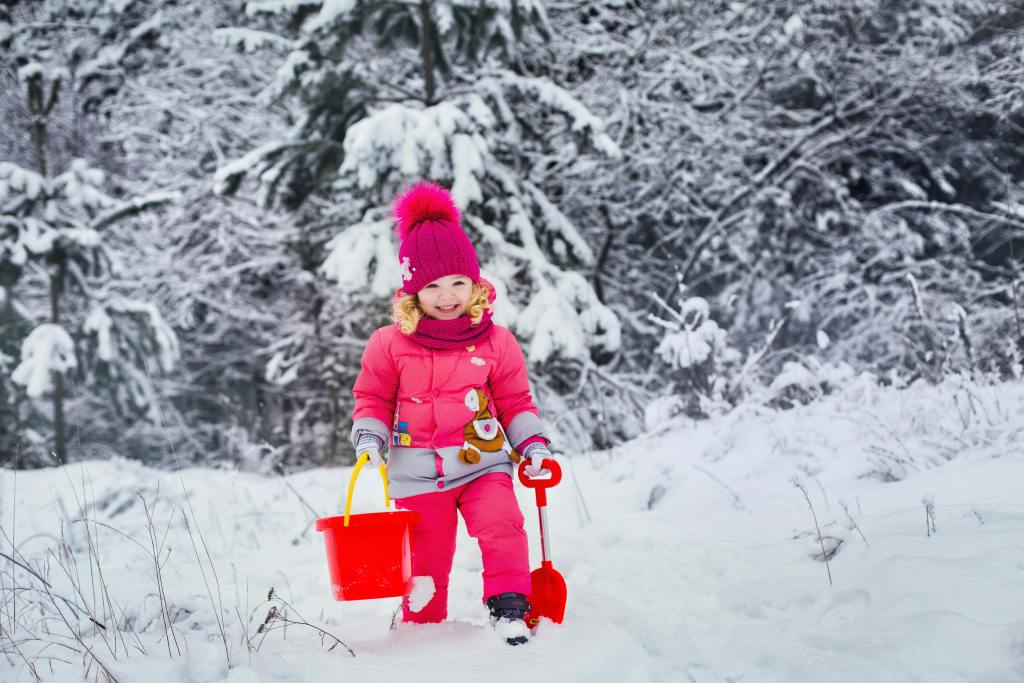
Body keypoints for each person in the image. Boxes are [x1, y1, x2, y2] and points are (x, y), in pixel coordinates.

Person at [349, 181, 553, 646]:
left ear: (475, 284)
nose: (447, 296)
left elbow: (515, 401)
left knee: (502, 524)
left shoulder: (497, 341)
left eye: (458, 282)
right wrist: (369, 437)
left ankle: (509, 609)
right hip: (416, 472)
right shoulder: (389, 343)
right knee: (425, 558)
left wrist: (532, 445)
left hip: (481, 462)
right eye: (432, 286)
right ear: (412, 292)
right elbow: (373, 399)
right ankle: (422, 628)